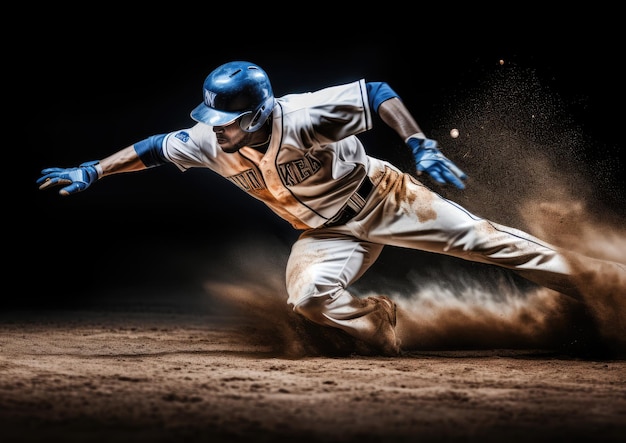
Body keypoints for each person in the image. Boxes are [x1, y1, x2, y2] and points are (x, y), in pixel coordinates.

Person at [37, 60, 625, 356]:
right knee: (309, 300)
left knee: (496, 245)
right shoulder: (208, 140)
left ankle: (611, 291)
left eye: (229, 121)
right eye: (211, 118)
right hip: (323, 234)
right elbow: (151, 149)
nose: (217, 132)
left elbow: (375, 94)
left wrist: (420, 142)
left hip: (389, 201)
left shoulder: (306, 114)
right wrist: (92, 170)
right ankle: (380, 322)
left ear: (260, 112)